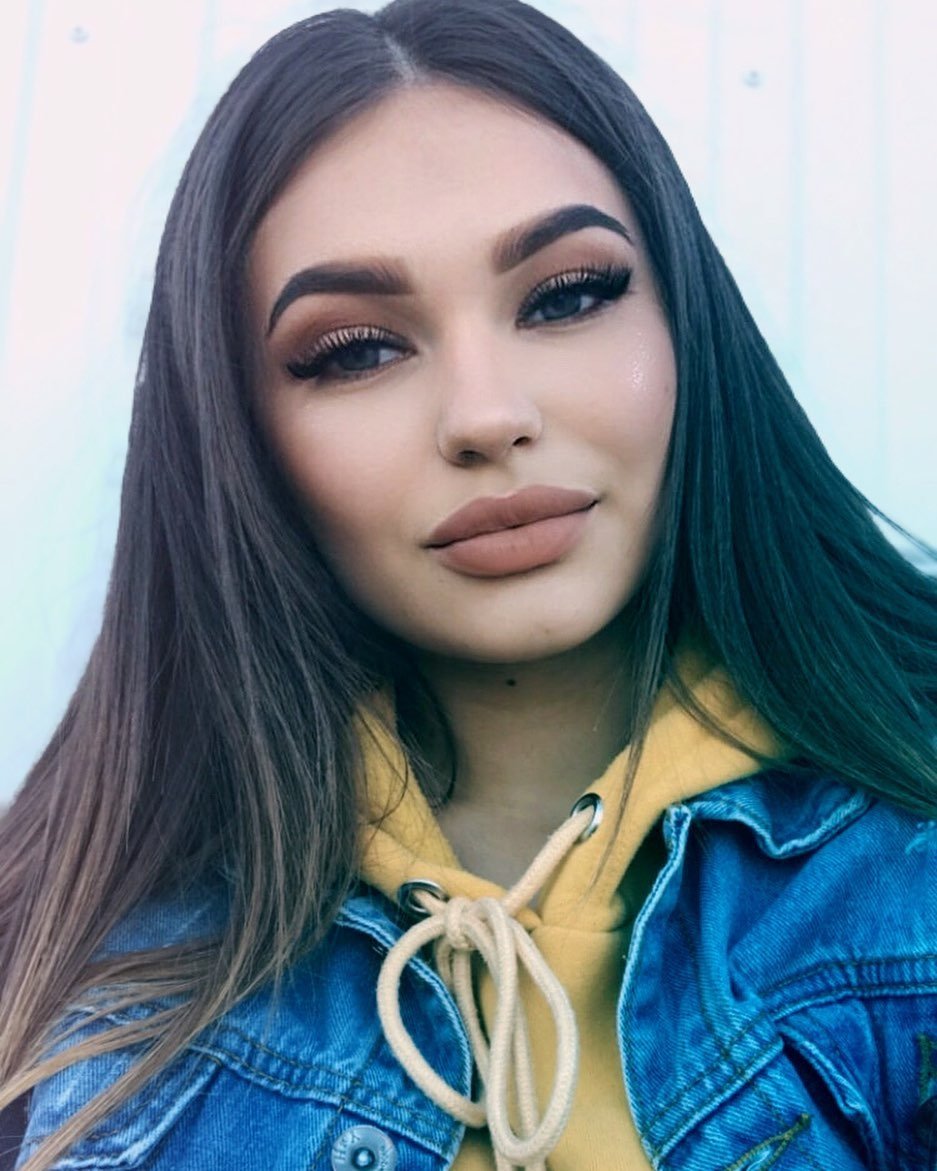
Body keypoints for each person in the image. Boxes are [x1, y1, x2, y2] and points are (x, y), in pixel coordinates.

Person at [1, 1, 935, 1168]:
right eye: (355, 350)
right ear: (239, 438)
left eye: (567, 294)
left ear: (688, 325)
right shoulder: (72, 975)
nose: (488, 414)